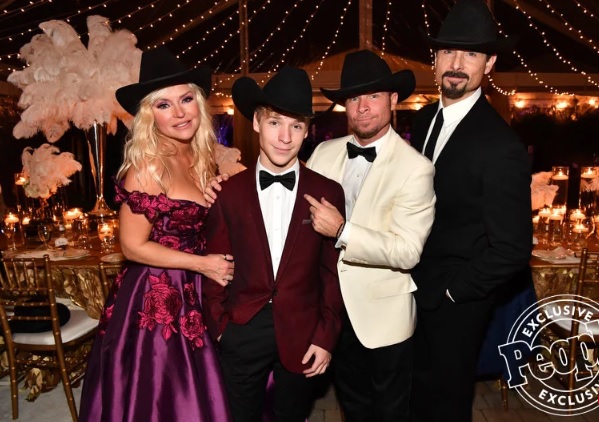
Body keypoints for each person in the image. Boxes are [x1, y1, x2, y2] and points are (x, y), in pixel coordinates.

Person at [79, 46, 234, 422]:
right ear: (149, 115)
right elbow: (132, 246)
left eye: (186, 99)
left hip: (199, 285)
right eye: (164, 105)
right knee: (166, 396)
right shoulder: (147, 167)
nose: (179, 113)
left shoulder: (199, 156)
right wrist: (203, 264)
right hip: (157, 296)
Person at [408, 1, 533, 421]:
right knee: (415, 395)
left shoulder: (501, 146)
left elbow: (512, 249)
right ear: (435, 58)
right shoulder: (424, 120)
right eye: (448, 51)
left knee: (445, 403)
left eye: (471, 54)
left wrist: (453, 292)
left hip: (456, 305)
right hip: (413, 287)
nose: (457, 64)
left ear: (490, 63)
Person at [201, 66, 345, 422]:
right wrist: (220, 329)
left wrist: (326, 336)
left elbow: (332, 273)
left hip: (303, 330)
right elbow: (214, 264)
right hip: (241, 329)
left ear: (307, 131)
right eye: (275, 122)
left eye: (296, 126)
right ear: (256, 123)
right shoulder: (227, 193)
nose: (284, 137)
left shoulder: (327, 192)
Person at [305, 49, 436, 422]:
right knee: (353, 408)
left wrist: (342, 231)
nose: (362, 107)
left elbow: (407, 251)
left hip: (383, 319)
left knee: (390, 413)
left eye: (373, 96)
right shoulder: (323, 153)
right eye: (353, 98)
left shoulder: (416, 168)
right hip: (332, 313)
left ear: (393, 100)